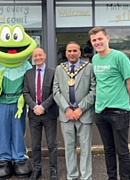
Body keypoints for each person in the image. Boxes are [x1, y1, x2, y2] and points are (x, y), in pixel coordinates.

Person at [88, 27, 130, 180]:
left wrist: (121, 99)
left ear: (107, 38)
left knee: (121, 151)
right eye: (94, 40)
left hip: (118, 112)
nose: (97, 42)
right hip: (101, 112)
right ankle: (111, 178)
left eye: (100, 39)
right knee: (108, 150)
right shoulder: (95, 59)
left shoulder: (119, 57)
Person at [53, 41, 96, 180]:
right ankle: (71, 176)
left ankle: (86, 177)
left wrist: (80, 109)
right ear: (65, 53)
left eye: (74, 51)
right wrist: (66, 108)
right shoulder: (60, 69)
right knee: (69, 149)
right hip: (66, 115)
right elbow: (56, 91)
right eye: (69, 51)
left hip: (84, 115)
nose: (72, 53)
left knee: (85, 149)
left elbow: (93, 90)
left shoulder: (89, 68)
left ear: (80, 52)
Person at [23, 48, 59, 180]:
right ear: (32, 58)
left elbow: (55, 92)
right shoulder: (28, 73)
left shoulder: (53, 73)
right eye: (35, 56)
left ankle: (53, 170)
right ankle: (37, 169)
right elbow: (26, 92)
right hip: (34, 115)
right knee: (35, 145)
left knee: (52, 145)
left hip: (49, 113)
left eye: (40, 55)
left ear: (44, 56)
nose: (37, 57)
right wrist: (34, 107)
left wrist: (43, 106)